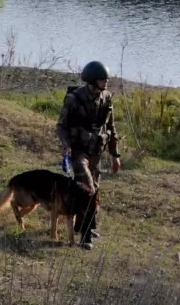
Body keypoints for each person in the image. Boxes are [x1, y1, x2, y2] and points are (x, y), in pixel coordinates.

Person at [56, 60, 122, 250]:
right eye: (103, 79)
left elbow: (111, 128)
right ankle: (85, 236)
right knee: (87, 187)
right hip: (78, 152)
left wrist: (115, 154)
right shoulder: (74, 99)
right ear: (93, 81)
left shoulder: (107, 98)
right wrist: (66, 146)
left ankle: (86, 226)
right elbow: (61, 126)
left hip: (96, 152)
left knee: (95, 191)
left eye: (107, 79)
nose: (106, 82)